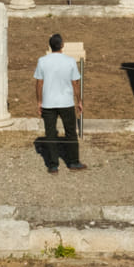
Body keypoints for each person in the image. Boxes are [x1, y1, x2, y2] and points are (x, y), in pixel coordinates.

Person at [33, 33, 86, 173]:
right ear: (62, 45)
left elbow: (39, 83)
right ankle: (73, 162)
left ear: (50, 46)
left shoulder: (42, 61)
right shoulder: (70, 61)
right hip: (66, 102)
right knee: (70, 132)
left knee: (50, 133)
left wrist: (39, 101)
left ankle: (52, 164)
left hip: (48, 103)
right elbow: (75, 83)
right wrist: (79, 101)